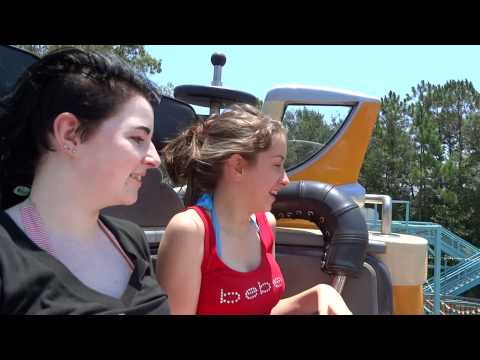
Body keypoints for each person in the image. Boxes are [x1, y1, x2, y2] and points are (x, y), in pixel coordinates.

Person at [0, 47, 170, 314]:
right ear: (70, 134)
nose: (154, 159)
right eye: (138, 138)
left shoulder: (131, 240)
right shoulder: (6, 254)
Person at [156, 104, 351, 315]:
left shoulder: (266, 224)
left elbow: (261, 309)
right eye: (277, 165)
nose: (285, 180)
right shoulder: (190, 231)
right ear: (238, 166)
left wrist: (320, 294)